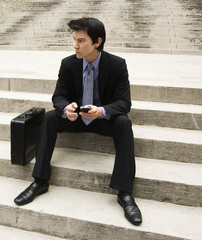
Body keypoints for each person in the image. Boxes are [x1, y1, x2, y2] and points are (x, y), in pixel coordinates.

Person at [14, 17, 142, 226]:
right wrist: (67, 108)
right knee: (49, 117)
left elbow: (124, 102)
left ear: (97, 42)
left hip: (102, 118)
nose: (75, 45)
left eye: (81, 41)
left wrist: (101, 111)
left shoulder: (117, 65)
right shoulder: (68, 63)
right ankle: (40, 181)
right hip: (76, 117)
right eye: (74, 40)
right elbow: (58, 96)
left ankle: (125, 192)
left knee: (124, 123)